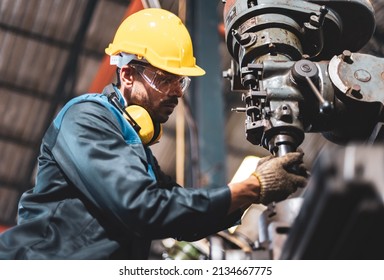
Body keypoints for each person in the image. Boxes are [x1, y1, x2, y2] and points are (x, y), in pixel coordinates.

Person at [0, 8, 307, 259]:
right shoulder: (86, 118)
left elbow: (181, 219)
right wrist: (252, 187)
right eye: (164, 79)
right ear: (128, 74)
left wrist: (251, 191)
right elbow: (144, 207)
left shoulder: (138, 154)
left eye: (180, 81)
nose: (176, 91)